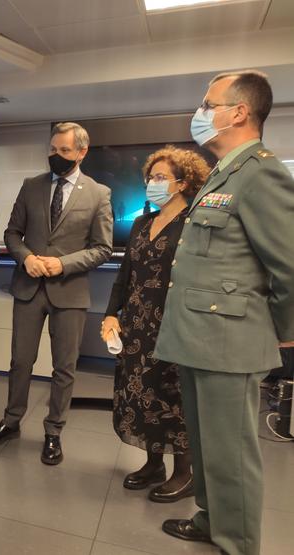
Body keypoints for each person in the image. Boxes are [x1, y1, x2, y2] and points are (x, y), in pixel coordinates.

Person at [154, 70, 294, 555]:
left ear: (238, 112)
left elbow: (290, 265)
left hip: (231, 340)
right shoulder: (223, 172)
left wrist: (283, 332)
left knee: (231, 453)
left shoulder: (261, 173)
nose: (199, 113)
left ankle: (237, 544)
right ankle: (211, 519)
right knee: (209, 444)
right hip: (201, 335)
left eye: (207, 103)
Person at [0, 122, 113, 465]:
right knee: (20, 361)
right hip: (28, 288)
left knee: (63, 368)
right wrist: (25, 258)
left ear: (82, 152)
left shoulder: (99, 194)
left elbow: (102, 249)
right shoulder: (31, 185)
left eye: (64, 151)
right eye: (52, 150)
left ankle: (54, 431)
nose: (56, 156)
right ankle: (11, 422)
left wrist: (61, 264)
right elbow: (12, 233)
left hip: (69, 293)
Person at [102, 146, 210, 503]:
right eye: (151, 177)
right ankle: (153, 465)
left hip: (174, 323)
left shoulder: (194, 223)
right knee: (140, 394)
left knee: (173, 398)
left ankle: (184, 474)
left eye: (161, 177)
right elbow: (125, 275)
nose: (152, 183)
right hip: (135, 324)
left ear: (183, 182)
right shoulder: (141, 222)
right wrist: (111, 313)